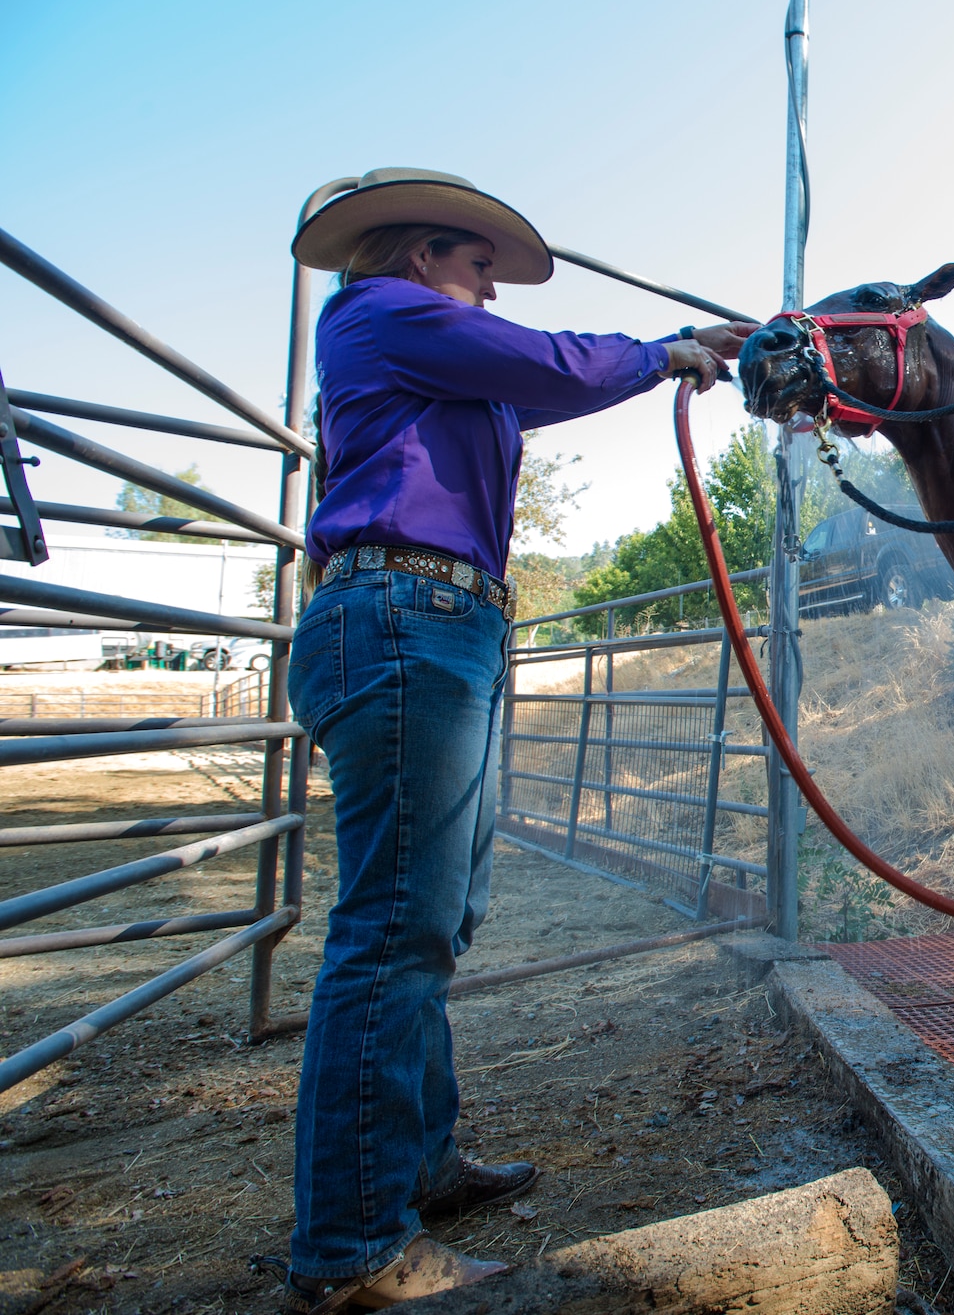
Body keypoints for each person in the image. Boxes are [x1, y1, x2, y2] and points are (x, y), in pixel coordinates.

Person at [281, 167, 755, 1313]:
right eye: (477, 265)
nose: (490, 291)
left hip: (437, 627)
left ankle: (419, 1166)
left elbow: (539, 384)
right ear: (415, 256)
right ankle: (351, 1245)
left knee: (432, 918)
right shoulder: (384, 316)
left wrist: (672, 355)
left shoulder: (439, 365)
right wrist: (668, 345)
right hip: (407, 622)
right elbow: (551, 362)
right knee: (398, 928)